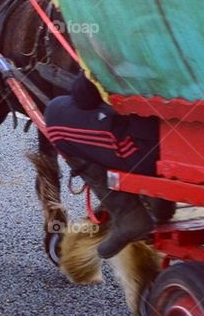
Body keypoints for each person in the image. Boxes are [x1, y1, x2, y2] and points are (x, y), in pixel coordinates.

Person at [44, 72, 162, 258]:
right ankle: (161, 201)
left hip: (150, 147)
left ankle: (128, 214)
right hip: (196, 139)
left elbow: (85, 96)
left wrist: (84, 76)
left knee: (55, 113)